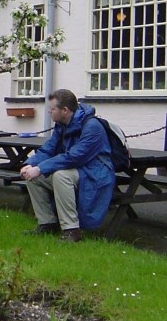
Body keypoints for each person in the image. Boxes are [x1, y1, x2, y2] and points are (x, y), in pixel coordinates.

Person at [19, 89, 114, 242]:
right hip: (79, 169)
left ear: (65, 110)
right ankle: (47, 223)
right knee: (34, 177)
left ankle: (71, 230)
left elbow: (74, 157)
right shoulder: (62, 124)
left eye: (52, 109)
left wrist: (40, 168)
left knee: (60, 176)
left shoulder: (92, 127)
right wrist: (30, 164)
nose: (49, 112)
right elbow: (49, 148)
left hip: (96, 173)